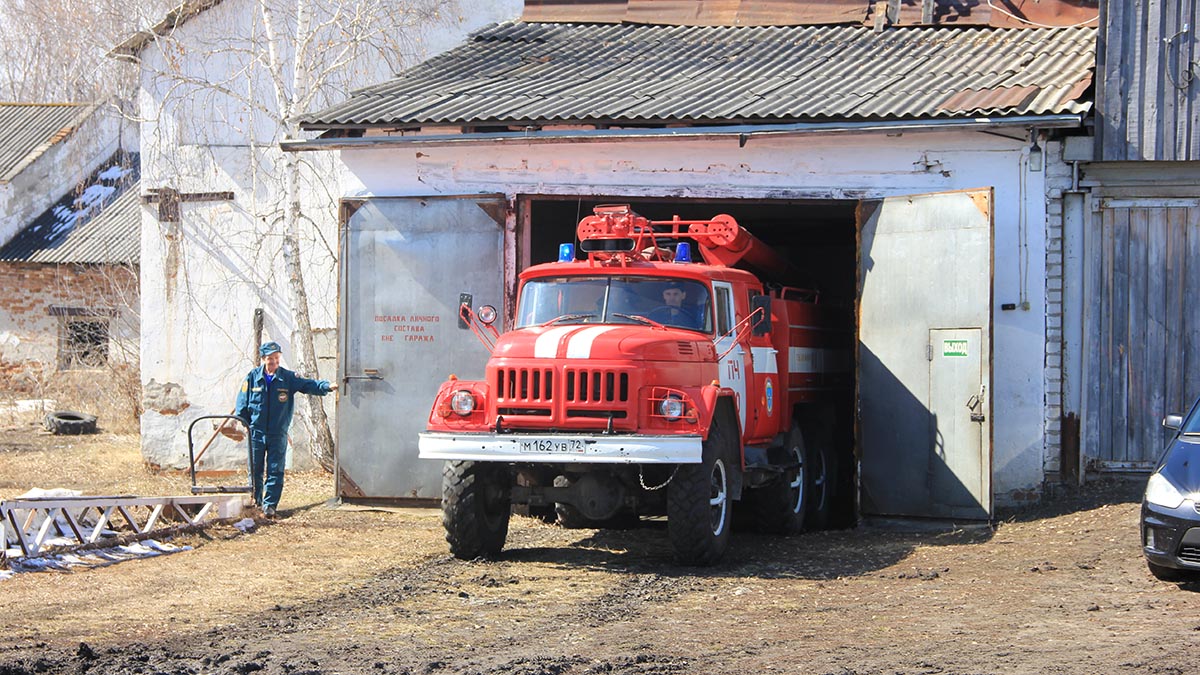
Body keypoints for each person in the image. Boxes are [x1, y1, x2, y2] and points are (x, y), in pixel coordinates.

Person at [234, 341, 337, 518]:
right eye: (270, 358)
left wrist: (326, 386)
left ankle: (270, 506)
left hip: (277, 433)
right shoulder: (252, 377)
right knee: (255, 470)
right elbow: (242, 405)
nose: (273, 362)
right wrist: (248, 426)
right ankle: (256, 502)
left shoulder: (287, 378)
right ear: (263, 359)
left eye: (276, 358)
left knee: (275, 469)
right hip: (256, 433)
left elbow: (307, 385)